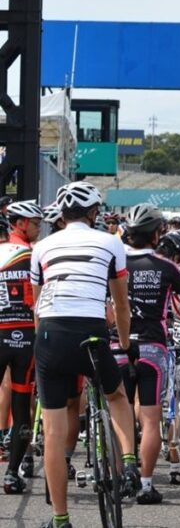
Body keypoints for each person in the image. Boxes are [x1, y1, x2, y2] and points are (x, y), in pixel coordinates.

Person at [30, 181, 140, 528]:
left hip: (51, 333)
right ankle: (129, 463)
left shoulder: (41, 246)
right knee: (116, 395)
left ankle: (60, 519)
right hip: (91, 330)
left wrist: (44, 345)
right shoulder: (111, 242)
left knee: (53, 432)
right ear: (94, 212)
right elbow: (121, 304)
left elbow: (37, 306)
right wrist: (124, 343)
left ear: (61, 215)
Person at [117, 204, 180, 505]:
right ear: (157, 234)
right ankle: (146, 485)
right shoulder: (166, 266)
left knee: (119, 412)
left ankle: (122, 474)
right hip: (153, 346)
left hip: (118, 345)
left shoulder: (114, 262)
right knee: (150, 419)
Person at [0, 207, 36, 494]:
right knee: (23, 407)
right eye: (35, 223)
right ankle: (12, 475)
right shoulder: (36, 255)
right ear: (20, 224)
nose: (38, 227)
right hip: (27, 338)